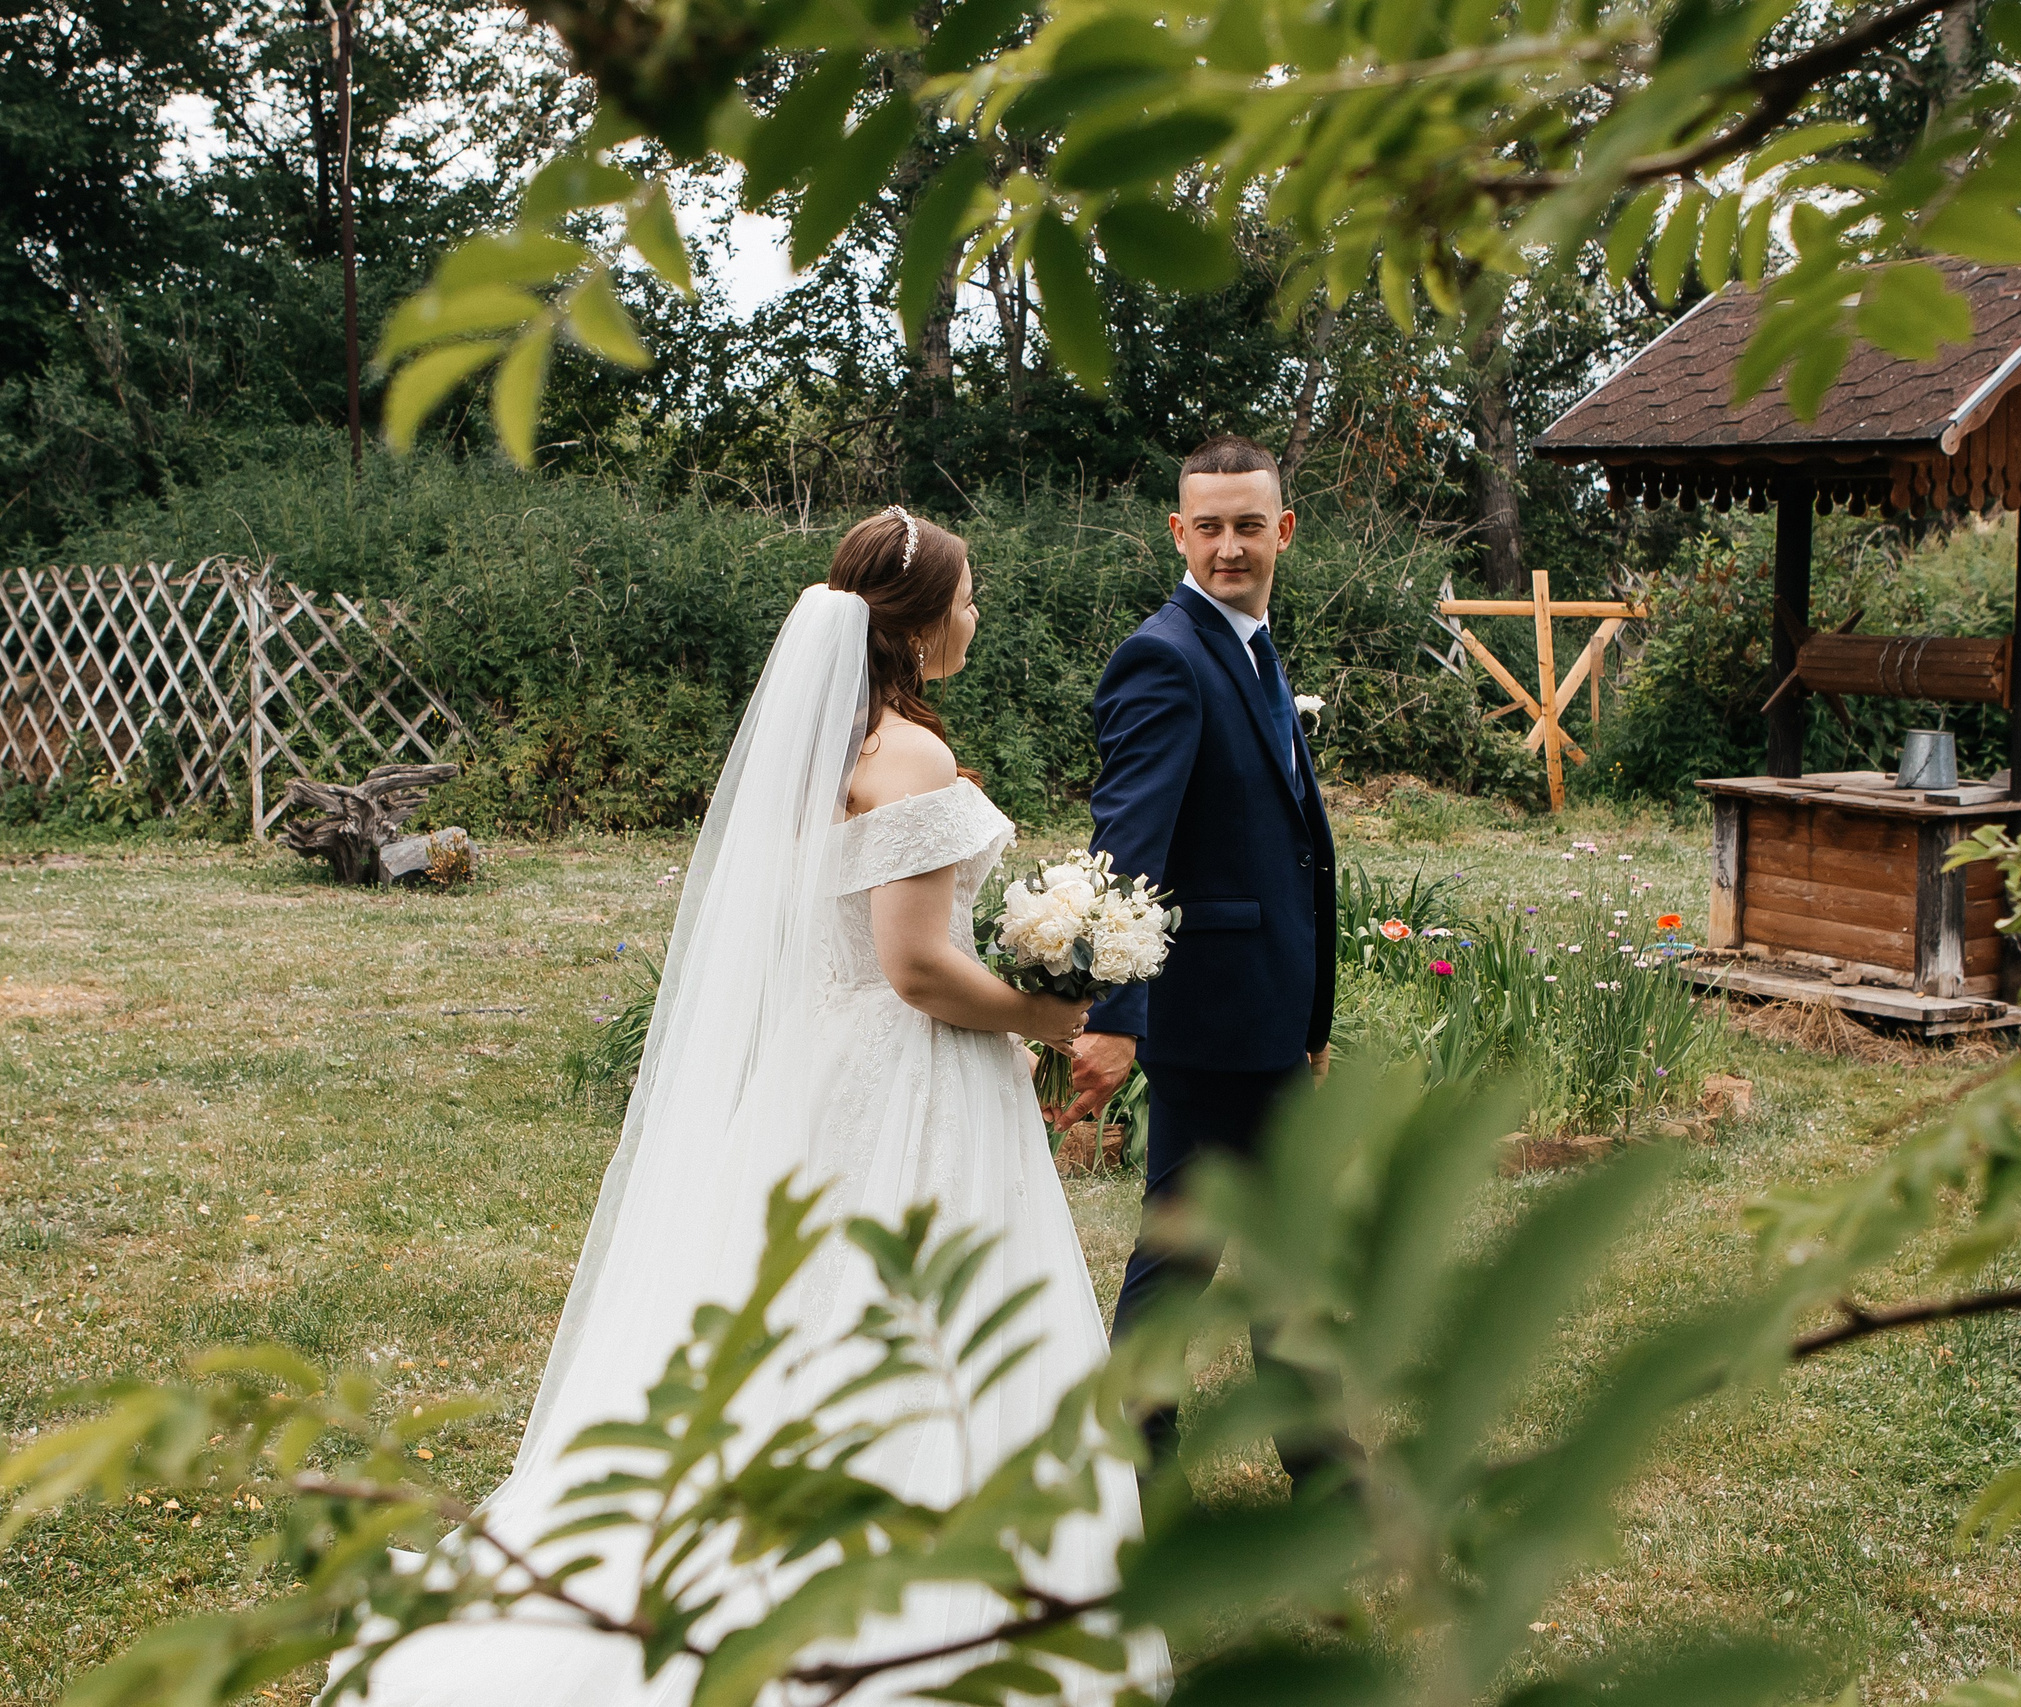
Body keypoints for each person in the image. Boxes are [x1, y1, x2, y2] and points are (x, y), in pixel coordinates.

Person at [342, 509, 1161, 1704]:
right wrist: (1049, 1015)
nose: (976, 615)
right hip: (912, 1076)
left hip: (824, 1069)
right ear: (923, 619)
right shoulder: (911, 760)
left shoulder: (832, 749)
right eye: (968, 595)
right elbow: (918, 969)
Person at [1062, 434, 1343, 1493]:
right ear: (1177, 533)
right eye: (1209, 526)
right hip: (1206, 1016)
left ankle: (1307, 1470)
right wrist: (1114, 1014)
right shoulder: (1164, 657)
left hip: (1265, 1014)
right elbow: (1126, 848)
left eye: (1249, 524)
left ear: (1283, 530)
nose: (1230, 546)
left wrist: (1310, 1021)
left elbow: (1291, 849)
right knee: (1190, 1258)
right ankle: (1147, 1470)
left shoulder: (1251, 646)